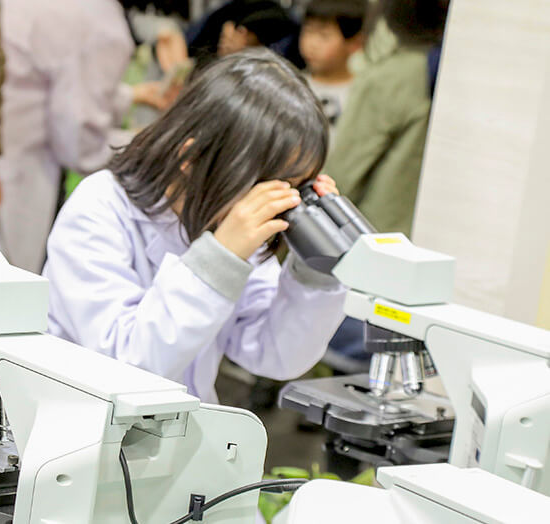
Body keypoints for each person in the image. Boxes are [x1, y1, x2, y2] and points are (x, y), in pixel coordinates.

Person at [43, 48, 347, 403]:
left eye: (295, 186)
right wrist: (218, 260)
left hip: (184, 426)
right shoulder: (99, 208)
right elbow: (127, 366)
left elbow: (274, 353)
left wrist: (315, 268)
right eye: (271, 186)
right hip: (87, 421)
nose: (279, 202)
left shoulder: (225, 222)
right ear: (193, 157)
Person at [0, 0, 135, 273]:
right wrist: (148, 142)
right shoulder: (99, 19)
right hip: (20, 183)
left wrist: (131, 96)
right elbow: (80, 144)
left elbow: (50, 87)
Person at [324, 0, 449, 236]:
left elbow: (342, 176)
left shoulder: (391, 77)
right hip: (422, 236)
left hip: (373, 238)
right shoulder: (448, 70)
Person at [299, 0, 366, 131]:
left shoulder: (362, 94)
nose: (312, 44)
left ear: (355, 44)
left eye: (324, 36)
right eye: (308, 31)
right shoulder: (293, 86)